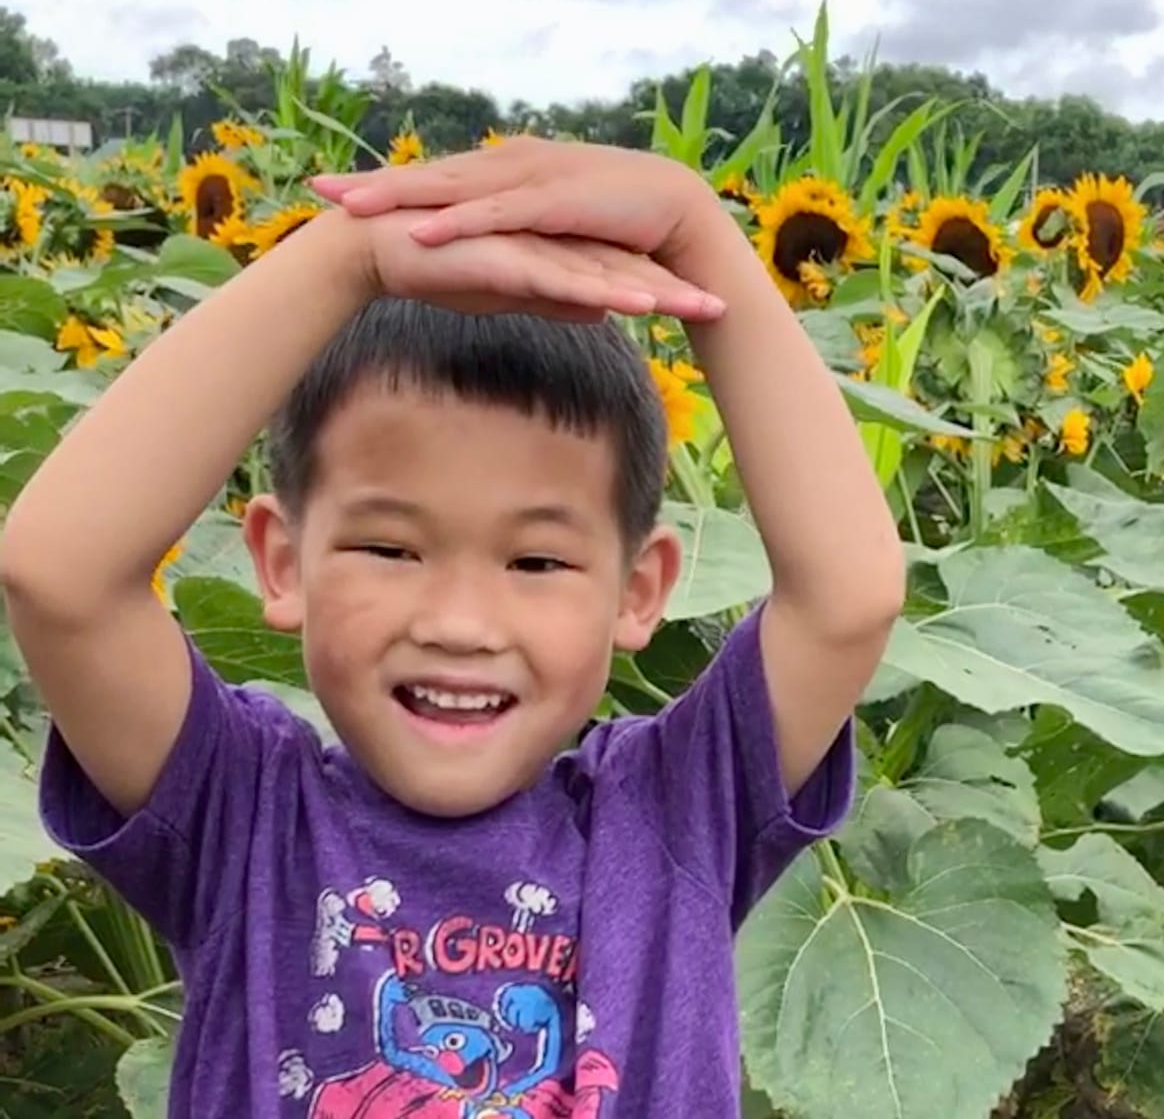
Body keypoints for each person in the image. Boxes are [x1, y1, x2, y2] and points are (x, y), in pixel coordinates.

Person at [0, 139, 907, 1118]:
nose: (461, 623)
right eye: (390, 549)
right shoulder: (245, 817)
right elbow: (61, 578)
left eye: (536, 562)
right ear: (280, 559)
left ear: (638, 591)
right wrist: (344, 257)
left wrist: (700, 238)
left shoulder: (677, 814)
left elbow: (846, 596)